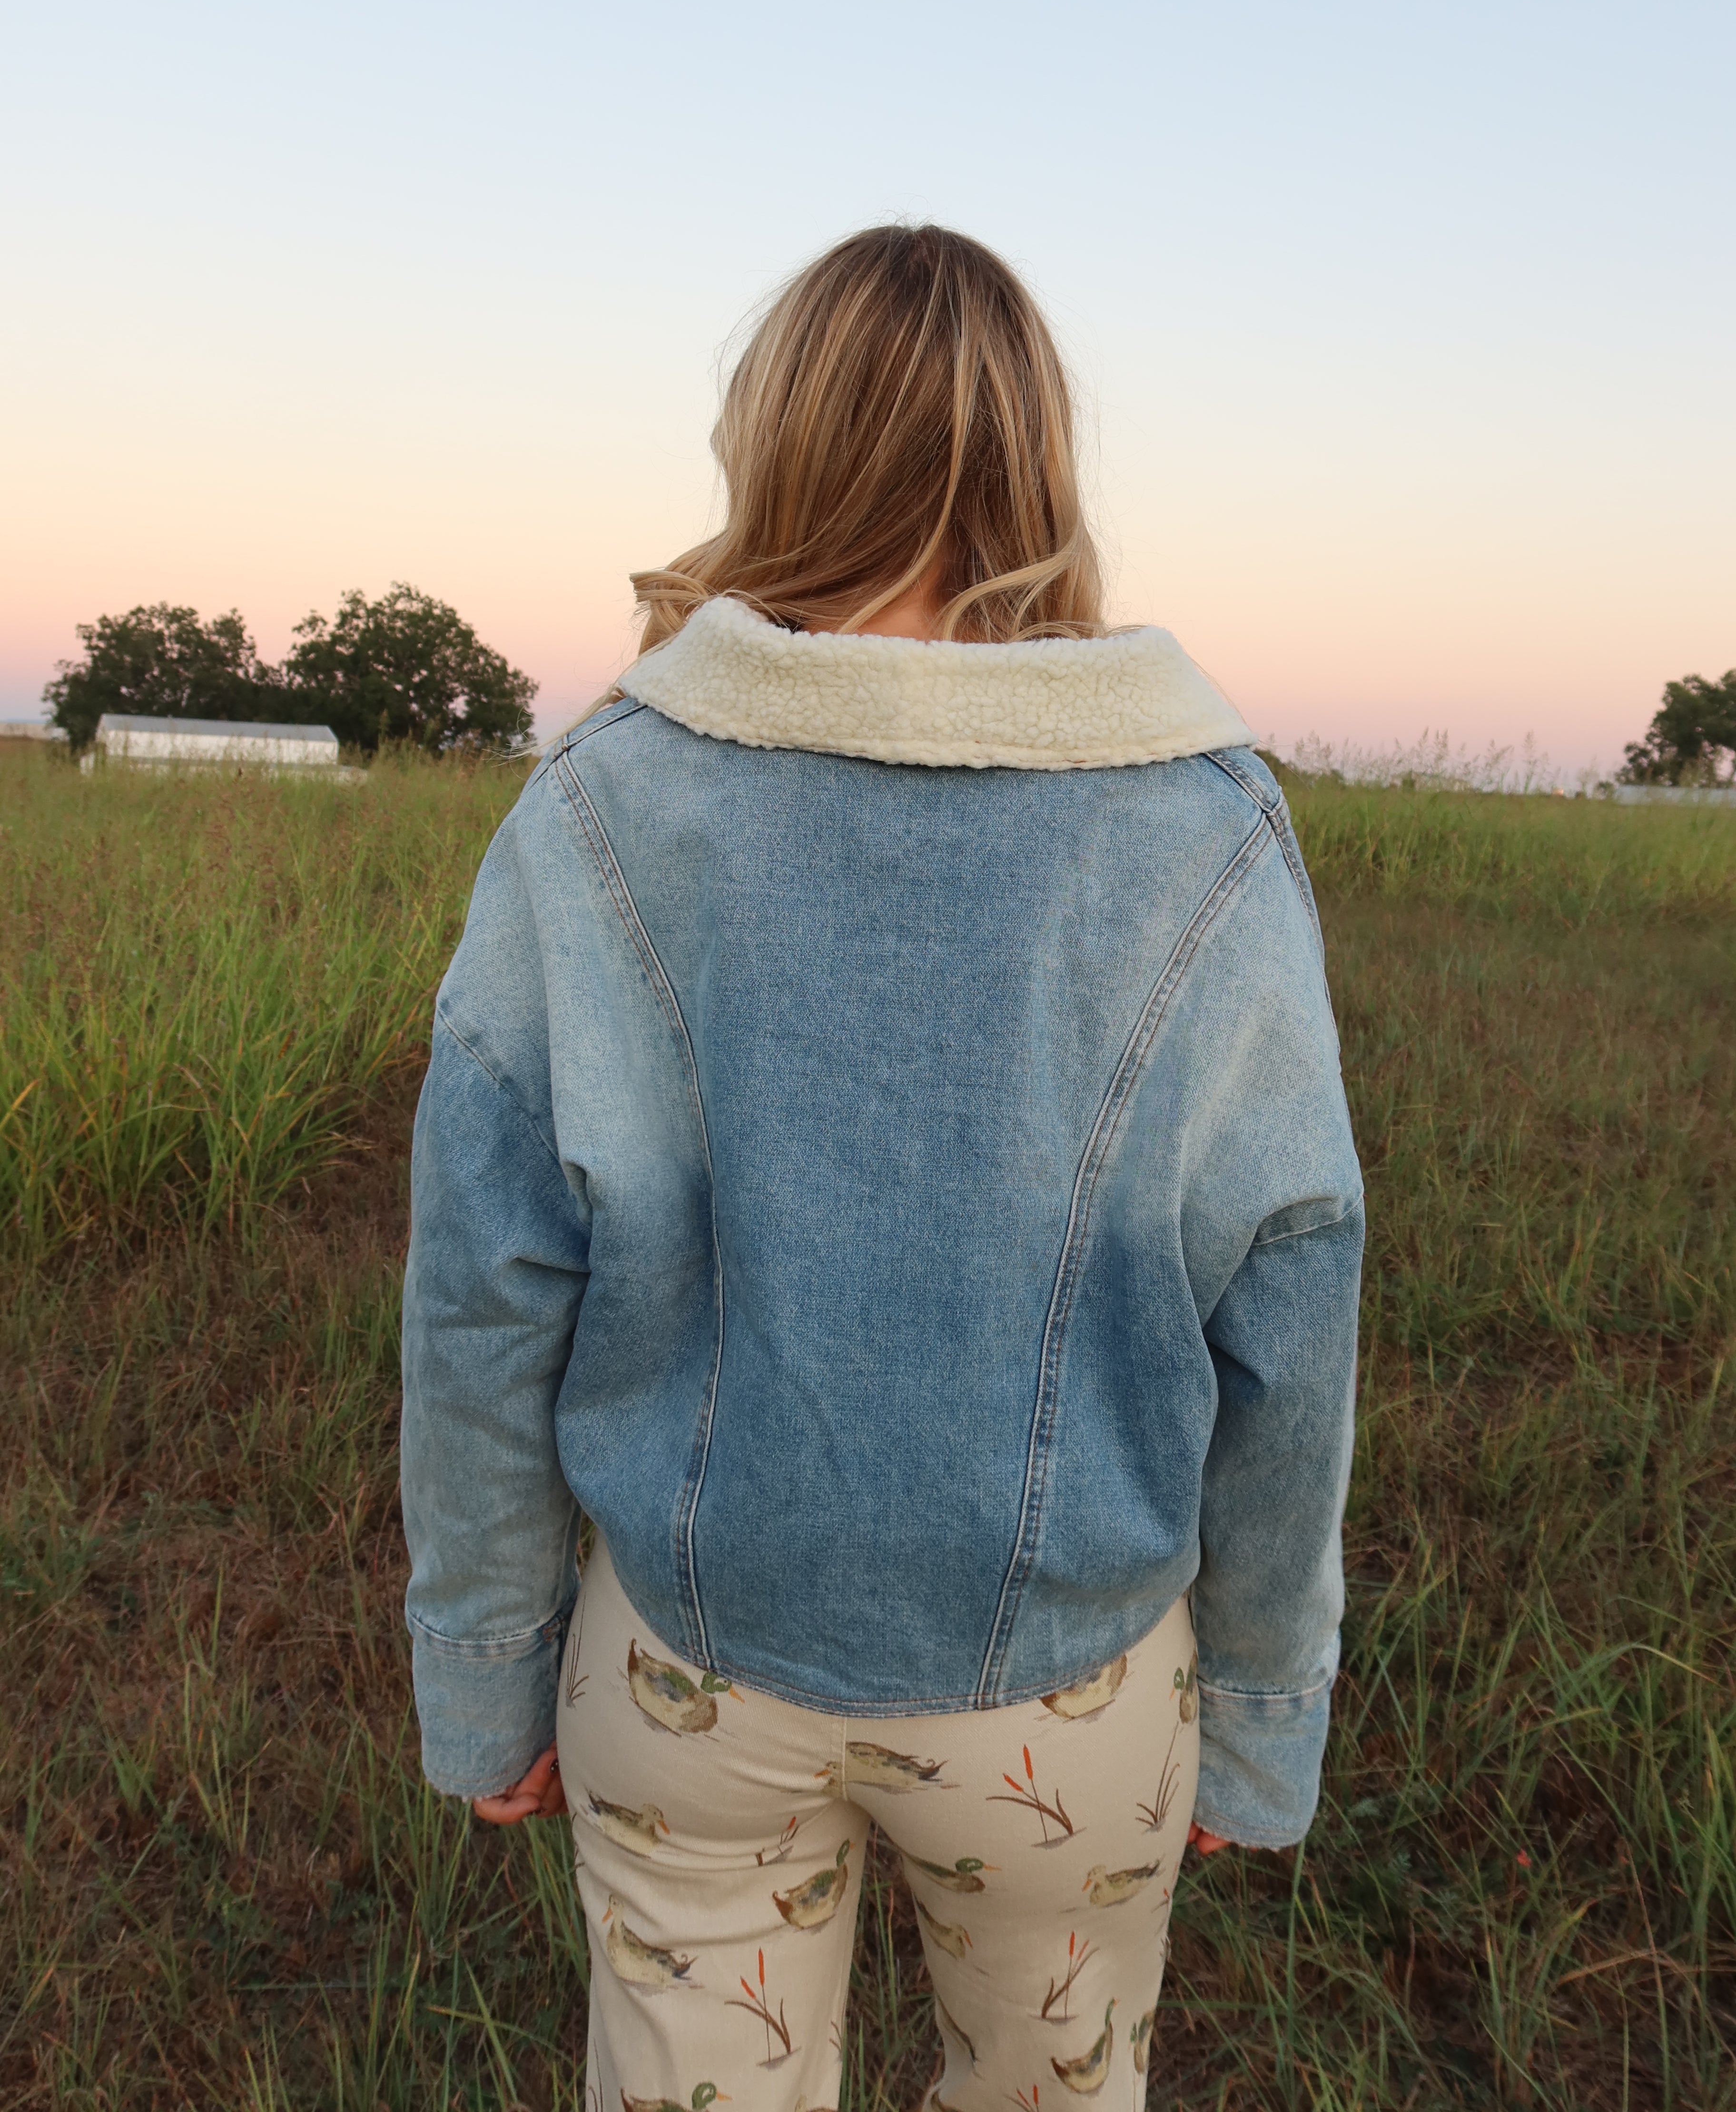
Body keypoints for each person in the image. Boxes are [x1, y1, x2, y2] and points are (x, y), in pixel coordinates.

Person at [400, 224, 1363, 2108]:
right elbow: (1296, 1294)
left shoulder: (603, 804)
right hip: (1073, 1710)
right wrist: (1255, 1714)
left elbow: (483, 1289)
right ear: (1040, 463)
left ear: (775, 447)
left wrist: (485, 1662)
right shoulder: (1210, 829)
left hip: (687, 1671)